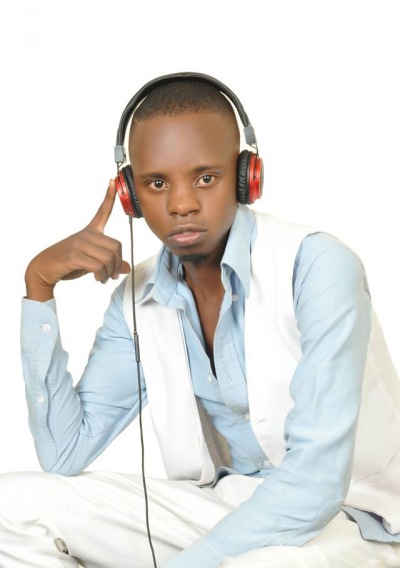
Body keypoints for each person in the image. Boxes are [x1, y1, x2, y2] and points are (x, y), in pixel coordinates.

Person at [1, 73, 400, 568]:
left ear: (246, 177)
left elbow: (315, 483)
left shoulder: (316, 266)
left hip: (350, 516)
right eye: (156, 183)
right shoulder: (139, 297)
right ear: (130, 195)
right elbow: (65, 454)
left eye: (206, 178)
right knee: (10, 509)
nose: (181, 204)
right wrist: (39, 286)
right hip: (225, 506)